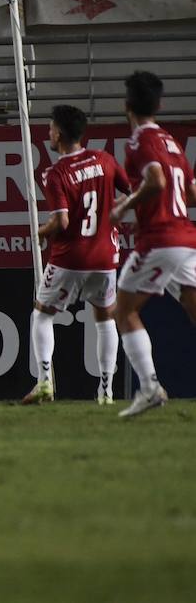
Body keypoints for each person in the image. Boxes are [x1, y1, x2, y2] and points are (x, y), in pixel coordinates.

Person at [24, 105, 131, 405]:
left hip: (70, 257)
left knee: (42, 314)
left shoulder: (55, 173)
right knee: (104, 318)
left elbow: (62, 222)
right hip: (106, 256)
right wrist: (114, 214)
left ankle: (45, 381)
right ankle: (106, 392)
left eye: (50, 128)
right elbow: (133, 192)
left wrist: (40, 233)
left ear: (58, 133)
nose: (48, 132)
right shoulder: (105, 160)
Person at [108, 71, 196, 418]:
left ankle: (149, 388)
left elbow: (157, 180)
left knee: (124, 310)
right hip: (187, 237)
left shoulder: (139, 141)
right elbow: (190, 192)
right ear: (159, 104)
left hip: (160, 238)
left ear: (126, 106)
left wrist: (124, 205)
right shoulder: (172, 141)